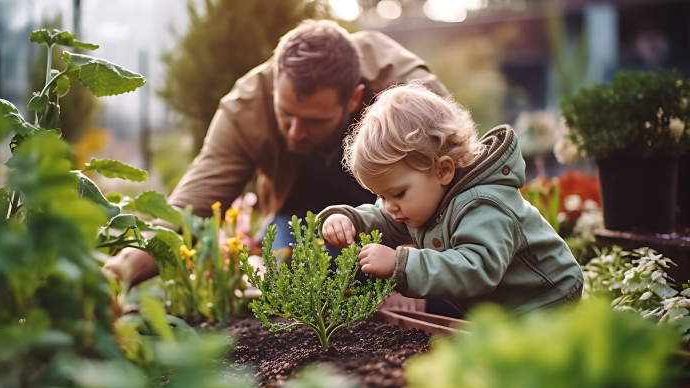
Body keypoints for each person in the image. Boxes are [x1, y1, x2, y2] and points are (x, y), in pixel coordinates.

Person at [105, 19, 448, 286]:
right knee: (296, 272)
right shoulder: (245, 107)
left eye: (314, 120)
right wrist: (124, 268)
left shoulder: (407, 92)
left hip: (397, 213)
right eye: (286, 114)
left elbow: (455, 175)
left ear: (355, 99)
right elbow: (190, 206)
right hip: (300, 215)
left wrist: (412, 260)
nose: (295, 132)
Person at [319, 81, 583, 316]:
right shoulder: (424, 198)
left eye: (397, 193)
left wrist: (400, 264)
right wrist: (349, 219)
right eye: (381, 195)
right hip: (505, 308)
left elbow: (475, 269)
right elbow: (384, 218)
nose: (389, 205)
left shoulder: (484, 203)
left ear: (443, 170)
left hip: (546, 301)